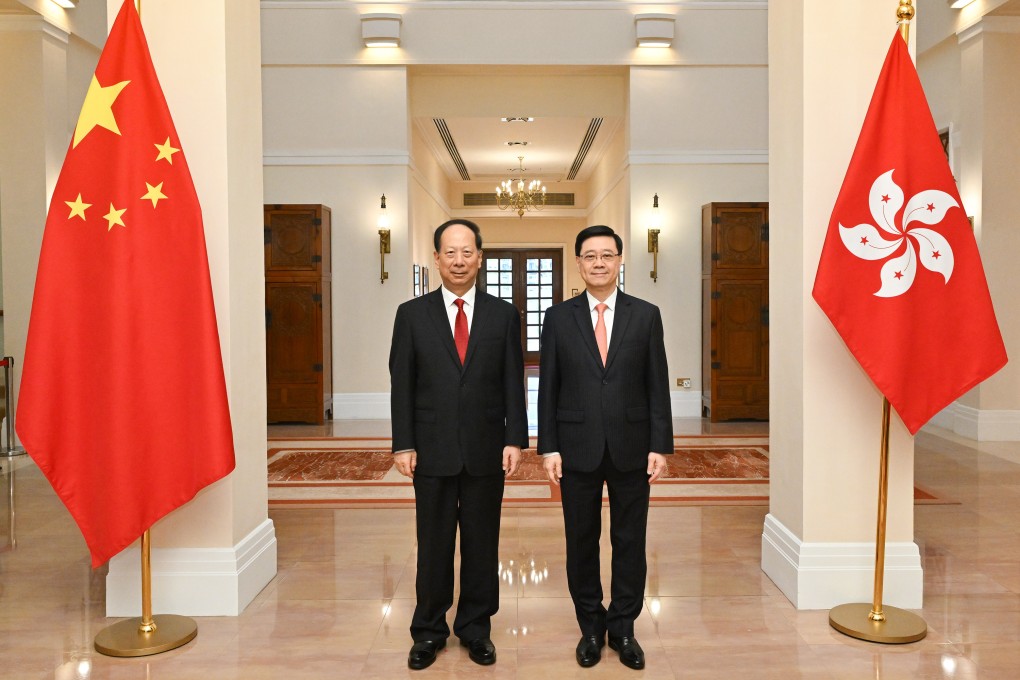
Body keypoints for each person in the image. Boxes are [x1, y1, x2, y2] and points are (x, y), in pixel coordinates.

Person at [389, 218, 528, 671]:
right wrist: (403, 443)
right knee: (432, 544)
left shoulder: (503, 314)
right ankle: (428, 630)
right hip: (430, 448)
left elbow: (514, 381)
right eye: (450, 252)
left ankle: (475, 628)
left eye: (467, 252)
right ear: (436, 258)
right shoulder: (411, 315)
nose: (459, 260)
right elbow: (401, 385)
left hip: (488, 447)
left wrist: (515, 439)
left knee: (482, 544)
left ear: (480, 258)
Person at [538, 224, 673, 670]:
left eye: (607, 255)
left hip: (633, 447)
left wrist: (660, 444)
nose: (599, 263)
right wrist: (549, 447)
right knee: (581, 541)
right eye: (590, 256)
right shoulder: (558, 318)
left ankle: (624, 628)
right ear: (578, 263)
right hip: (575, 447)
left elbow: (657, 385)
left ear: (619, 261)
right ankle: (591, 629)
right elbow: (548, 388)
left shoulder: (646, 314)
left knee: (630, 540)